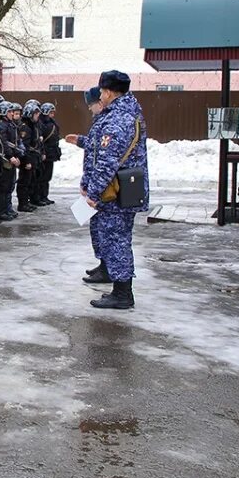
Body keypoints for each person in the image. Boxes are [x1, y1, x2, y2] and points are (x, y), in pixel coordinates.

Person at [79, 71, 149, 309]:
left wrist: (93, 193)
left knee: (116, 239)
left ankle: (122, 293)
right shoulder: (128, 113)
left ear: (108, 92)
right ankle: (119, 286)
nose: (100, 95)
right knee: (114, 238)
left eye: (101, 91)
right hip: (124, 187)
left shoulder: (118, 119)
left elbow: (108, 161)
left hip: (116, 191)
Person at [67, 87, 110, 283]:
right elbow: (94, 147)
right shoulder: (100, 121)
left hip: (101, 187)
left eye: (91, 105)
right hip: (95, 184)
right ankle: (104, 265)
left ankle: (108, 268)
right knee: (97, 227)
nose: (90, 109)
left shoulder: (108, 123)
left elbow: (102, 159)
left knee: (104, 229)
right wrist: (80, 141)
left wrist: (91, 188)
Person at [36, 102, 61, 205]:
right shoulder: (41, 123)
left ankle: (44, 196)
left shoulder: (51, 122)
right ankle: (40, 196)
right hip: (45, 153)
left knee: (47, 177)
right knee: (41, 177)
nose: (52, 114)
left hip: (51, 153)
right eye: (50, 112)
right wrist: (43, 152)